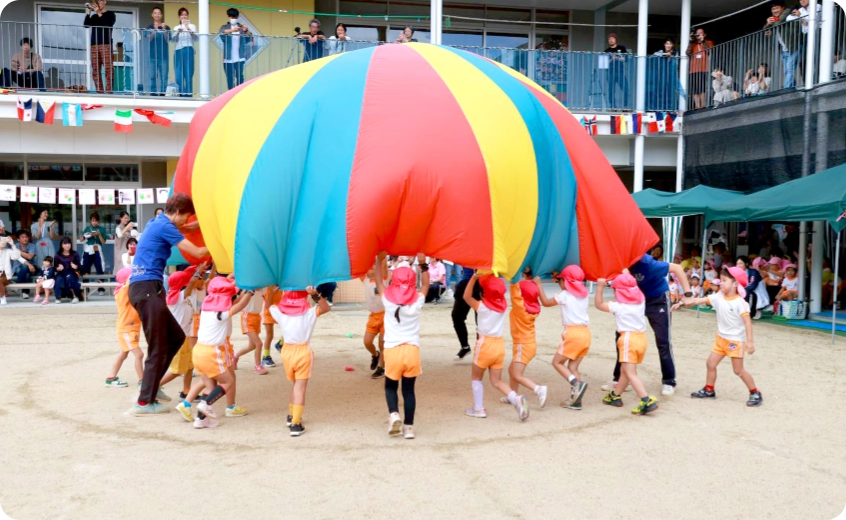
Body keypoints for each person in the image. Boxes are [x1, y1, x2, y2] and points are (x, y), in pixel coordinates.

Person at [129, 194, 208, 416]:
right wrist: (219, 238)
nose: (186, 221)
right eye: (186, 216)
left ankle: (152, 388)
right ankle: (144, 402)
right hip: (146, 289)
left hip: (147, 289)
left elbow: (190, 228)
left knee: (175, 338)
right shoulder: (165, 226)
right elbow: (199, 252)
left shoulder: (160, 222)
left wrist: (208, 221)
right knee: (157, 347)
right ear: (179, 212)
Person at [603, 253, 692, 396]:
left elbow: (676, 268)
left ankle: (669, 381)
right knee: (622, 337)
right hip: (634, 301)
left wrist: (688, 294)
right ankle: (619, 379)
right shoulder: (620, 262)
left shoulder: (648, 264)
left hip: (657, 300)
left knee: (663, 340)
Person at [178, 278, 252, 428]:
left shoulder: (206, 309)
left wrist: (241, 291)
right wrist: (250, 292)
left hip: (199, 350)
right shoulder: (221, 314)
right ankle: (206, 404)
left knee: (210, 386)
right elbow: (241, 305)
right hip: (212, 353)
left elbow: (234, 302)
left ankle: (201, 420)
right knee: (228, 381)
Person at [683, 267, 762, 407]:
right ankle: (709, 390)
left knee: (738, 370)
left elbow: (748, 322)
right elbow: (699, 301)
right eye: (721, 280)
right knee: (710, 364)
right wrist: (683, 302)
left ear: (736, 284)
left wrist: (750, 342)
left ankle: (755, 392)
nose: (721, 283)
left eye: (724, 280)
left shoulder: (740, 303)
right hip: (720, 339)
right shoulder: (719, 296)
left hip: (735, 341)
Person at [373, 253, 428, 439]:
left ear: (394, 279)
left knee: (390, 387)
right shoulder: (418, 299)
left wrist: (379, 260)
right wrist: (422, 263)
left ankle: (394, 414)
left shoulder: (387, 299)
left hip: (392, 350)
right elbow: (427, 285)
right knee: (409, 390)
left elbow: (379, 280)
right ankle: (409, 428)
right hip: (412, 350)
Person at [463, 273, 529, 422]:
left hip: (485, 344)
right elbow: (496, 293)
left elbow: (466, 297)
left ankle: (478, 408)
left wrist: (473, 278)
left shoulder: (483, 307)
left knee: (476, 377)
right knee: (497, 381)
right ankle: (515, 399)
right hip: (499, 345)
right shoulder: (503, 305)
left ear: (483, 293)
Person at [267, 286, 331, 437]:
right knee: (300, 388)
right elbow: (325, 308)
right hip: (303, 352)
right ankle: (296, 423)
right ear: (304, 299)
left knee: (295, 386)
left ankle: (291, 415)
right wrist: (314, 294)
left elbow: (268, 305)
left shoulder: (281, 314)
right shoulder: (309, 313)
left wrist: (272, 292)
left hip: (286, 351)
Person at [595, 274, 659, 416]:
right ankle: (616, 395)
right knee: (625, 370)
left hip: (628, 339)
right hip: (641, 339)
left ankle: (645, 400)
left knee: (630, 373)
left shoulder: (619, 306)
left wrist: (599, 288)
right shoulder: (640, 302)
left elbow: (598, 304)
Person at [535, 266, 591, 409]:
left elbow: (546, 303)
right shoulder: (584, 295)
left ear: (565, 281)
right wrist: (558, 276)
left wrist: (539, 285)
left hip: (573, 334)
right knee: (572, 366)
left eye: (560, 280)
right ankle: (575, 401)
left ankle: (576, 384)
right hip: (585, 334)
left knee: (557, 362)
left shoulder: (565, 295)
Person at [503, 269, 548, 409]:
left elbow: (515, 293)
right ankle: (512, 395)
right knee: (512, 370)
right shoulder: (534, 307)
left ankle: (538, 389)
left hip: (523, 345)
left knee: (516, 374)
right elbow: (527, 291)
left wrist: (514, 278)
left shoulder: (520, 308)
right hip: (528, 344)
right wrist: (529, 277)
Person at [158, 267, 198, 403]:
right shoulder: (179, 296)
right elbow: (192, 282)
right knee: (177, 370)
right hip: (178, 339)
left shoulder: (182, 294)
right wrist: (199, 271)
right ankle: (154, 387)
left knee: (190, 365)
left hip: (185, 336)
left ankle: (186, 391)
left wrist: (196, 268)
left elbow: (191, 282)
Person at [105, 268, 144, 388]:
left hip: (131, 328)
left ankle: (111, 377)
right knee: (139, 354)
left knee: (123, 353)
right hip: (127, 328)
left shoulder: (128, 291)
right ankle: (142, 381)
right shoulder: (122, 291)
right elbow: (129, 283)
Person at [765, 0, 801, 89]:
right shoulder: (775, 18)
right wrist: (767, 25)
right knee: (787, 71)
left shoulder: (788, 11)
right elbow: (765, 29)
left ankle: (787, 89)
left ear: (783, 8)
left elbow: (779, 21)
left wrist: (770, 23)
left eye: (777, 8)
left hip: (793, 46)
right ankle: (791, 87)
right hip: (784, 49)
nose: (775, 11)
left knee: (789, 70)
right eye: (773, 9)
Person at [84, 0, 116, 93]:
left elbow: (107, 24)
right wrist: (88, 13)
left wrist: (98, 12)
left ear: (105, 2)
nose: (99, 3)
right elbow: (86, 25)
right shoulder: (94, 16)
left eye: (101, 1)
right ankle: (99, 91)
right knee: (95, 69)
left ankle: (109, 91)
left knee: (108, 69)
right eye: (97, 1)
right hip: (94, 45)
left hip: (106, 44)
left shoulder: (110, 14)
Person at [234, 286, 268, 375]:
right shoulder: (247, 289)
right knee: (259, 343)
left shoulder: (262, 289)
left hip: (257, 317)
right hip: (247, 317)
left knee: (252, 346)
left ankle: (235, 356)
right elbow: (239, 301)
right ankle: (258, 366)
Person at [362, 264, 387, 379]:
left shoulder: (384, 278)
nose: (368, 270)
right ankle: (375, 355)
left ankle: (381, 368)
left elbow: (384, 265)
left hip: (385, 315)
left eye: (372, 268)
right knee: (367, 342)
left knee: (382, 344)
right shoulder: (366, 279)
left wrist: (382, 257)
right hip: (373, 316)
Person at [219, 8, 252, 90]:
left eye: (235, 17)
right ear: (228, 16)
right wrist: (232, 30)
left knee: (240, 77)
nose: (233, 19)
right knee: (230, 78)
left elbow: (249, 37)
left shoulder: (240, 26)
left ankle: (239, 93)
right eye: (231, 17)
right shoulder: (225, 26)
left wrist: (246, 29)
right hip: (228, 58)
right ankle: (230, 94)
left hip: (239, 57)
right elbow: (221, 32)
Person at [452, 265, 480, 359]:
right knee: (457, 316)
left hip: (483, 282)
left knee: (481, 320)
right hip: (466, 282)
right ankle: (465, 347)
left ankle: (480, 349)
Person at [686, 27, 714, 109]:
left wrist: (703, 42)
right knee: (695, 89)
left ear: (704, 35)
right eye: (697, 33)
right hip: (693, 69)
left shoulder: (708, 42)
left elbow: (710, 51)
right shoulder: (693, 44)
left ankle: (703, 105)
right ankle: (697, 106)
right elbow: (687, 52)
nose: (698, 35)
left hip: (704, 68)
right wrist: (691, 41)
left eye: (700, 33)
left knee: (702, 87)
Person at [78, 212, 107, 293]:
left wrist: (99, 235)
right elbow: (81, 239)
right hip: (88, 249)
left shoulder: (102, 229)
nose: (94, 222)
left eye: (96, 221)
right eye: (92, 221)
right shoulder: (87, 228)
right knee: (85, 267)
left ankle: (101, 288)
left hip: (97, 249)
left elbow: (103, 242)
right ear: (90, 221)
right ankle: (86, 288)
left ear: (98, 221)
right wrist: (85, 236)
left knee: (99, 267)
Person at [145, 7, 170, 95]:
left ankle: (163, 94)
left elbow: (168, 40)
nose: (157, 15)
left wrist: (164, 30)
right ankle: (153, 94)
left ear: (161, 15)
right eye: (155, 13)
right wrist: (155, 30)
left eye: (159, 13)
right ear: (152, 15)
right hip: (152, 56)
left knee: (164, 77)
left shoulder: (166, 27)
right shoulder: (149, 27)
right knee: (152, 77)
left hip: (164, 56)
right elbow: (148, 38)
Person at [172, 7, 197, 97]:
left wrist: (188, 28)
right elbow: (174, 40)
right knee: (179, 74)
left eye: (185, 15)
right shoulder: (176, 27)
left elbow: (195, 38)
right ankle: (181, 94)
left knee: (188, 73)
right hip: (178, 50)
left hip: (188, 49)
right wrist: (178, 32)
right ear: (179, 17)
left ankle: (189, 94)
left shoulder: (192, 26)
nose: (184, 17)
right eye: (182, 15)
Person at [650, 37, 679, 111]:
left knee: (670, 91)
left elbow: (676, 63)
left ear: (672, 45)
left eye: (670, 44)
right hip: (661, 75)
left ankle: (670, 107)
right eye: (667, 44)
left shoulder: (675, 52)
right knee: (660, 91)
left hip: (671, 75)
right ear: (664, 45)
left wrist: (671, 56)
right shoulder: (661, 51)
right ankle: (660, 107)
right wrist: (666, 54)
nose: (668, 45)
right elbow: (654, 54)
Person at [604, 33, 630, 109]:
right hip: (610, 73)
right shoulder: (606, 51)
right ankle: (613, 106)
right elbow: (603, 64)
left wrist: (619, 58)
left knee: (626, 89)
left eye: (612, 38)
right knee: (611, 90)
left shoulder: (622, 48)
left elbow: (627, 58)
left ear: (616, 39)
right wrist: (611, 59)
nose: (611, 40)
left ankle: (625, 106)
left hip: (620, 72)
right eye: (609, 39)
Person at [53, 237, 82, 303]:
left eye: (69, 243)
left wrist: (75, 266)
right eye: (65, 244)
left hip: (72, 272)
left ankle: (75, 296)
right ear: (61, 245)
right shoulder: (58, 255)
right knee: (59, 279)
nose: (67, 245)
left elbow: (79, 266)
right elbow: (54, 267)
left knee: (70, 278)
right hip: (61, 273)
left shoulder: (74, 254)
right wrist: (58, 268)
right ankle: (58, 297)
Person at [260, 287, 282, 367]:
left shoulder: (280, 283)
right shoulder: (266, 286)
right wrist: (272, 292)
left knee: (289, 329)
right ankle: (266, 357)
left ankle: (280, 344)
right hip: (268, 311)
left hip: (279, 309)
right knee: (269, 335)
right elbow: (266, 302)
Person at [12, 230, 37, 299]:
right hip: (17, 267)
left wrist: (17, 251)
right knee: (25, 268)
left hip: (32, 267)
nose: (25, 239)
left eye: (26, 237)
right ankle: (25, 292)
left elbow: (30, 256)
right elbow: (20, 257)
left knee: (26, 270)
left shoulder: (32, 246)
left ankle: (17, 285)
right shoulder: (16, 246)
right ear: (18, 239)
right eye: (22, 237)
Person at [0, 236, 20, 305]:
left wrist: (13, 245)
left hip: (5, 275)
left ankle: (2, 298)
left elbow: (16, 257)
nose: (2, 242)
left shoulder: (8, 251)